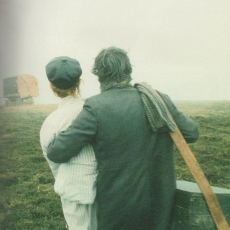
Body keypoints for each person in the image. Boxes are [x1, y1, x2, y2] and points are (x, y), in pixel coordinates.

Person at [46, 47, 199, 230]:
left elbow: (57, 152)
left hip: (118, 208)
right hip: (161, 203)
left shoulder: (96, 107)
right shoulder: (158, 99)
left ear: (98, 75)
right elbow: (191, 133)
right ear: (128, 71)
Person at [40, 56, 98, 230]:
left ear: (51, 86)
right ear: (79, 82)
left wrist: (63, 180)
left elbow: (52, 160)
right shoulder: (95, 110)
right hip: (102, 187)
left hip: (72, 190)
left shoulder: (52, 121)